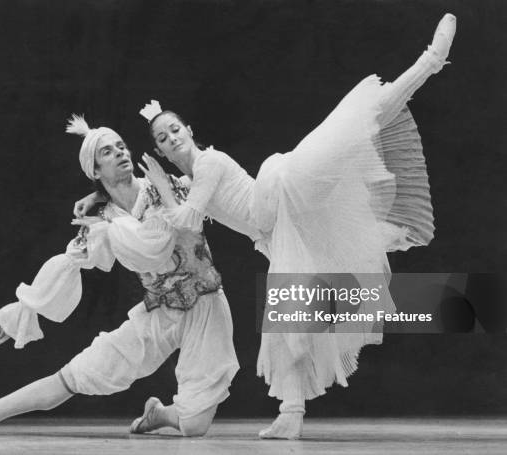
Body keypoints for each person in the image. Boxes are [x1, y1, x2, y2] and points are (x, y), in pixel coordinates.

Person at [76, 13, 457, 439]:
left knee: (350, 129)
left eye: (174, 129)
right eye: (162, 139)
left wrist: (163, 186)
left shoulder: (208, 165)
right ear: (161, 151)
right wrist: (101, 194)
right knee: (286, 326)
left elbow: (187, 217)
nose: (170, 138)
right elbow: (146, 194)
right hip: (280, 231)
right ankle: (291, 415)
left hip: (284, 189)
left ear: (189, 130)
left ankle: (430, 60)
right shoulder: (183, 180)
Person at [0, 117, 239, 437]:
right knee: (75, 376)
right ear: (94, 170)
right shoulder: (103, 222)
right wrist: (26, 307)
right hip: (160, 313)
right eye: (107, 152)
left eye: (121, 146)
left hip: (205, 304)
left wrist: (171, 179)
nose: (120, 153)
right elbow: (69, 261)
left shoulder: (169, 186)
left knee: (193, 426)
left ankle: (160, 414)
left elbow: (201, 192)